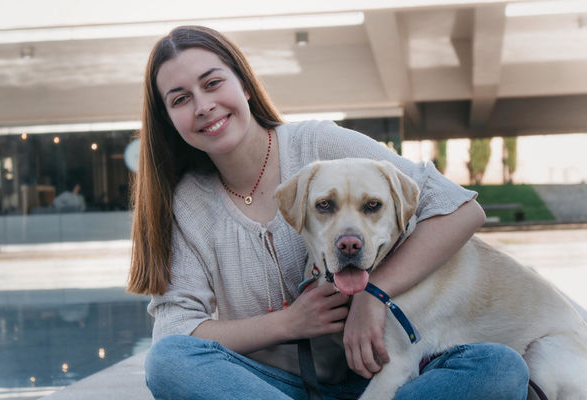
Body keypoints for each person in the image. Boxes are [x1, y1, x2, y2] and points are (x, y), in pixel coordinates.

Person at [127, 26, 529, 400]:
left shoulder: (318, 144)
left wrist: (374, 293)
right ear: (169, 120)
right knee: (169, 361)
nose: (203, 105)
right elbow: (175, 331)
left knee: (500, 368)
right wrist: (289, 323)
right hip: (267, 388)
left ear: (245, 85)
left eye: (213, 83)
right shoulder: (187, 203)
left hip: (384, 376)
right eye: (180, 99)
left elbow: (459, 209)